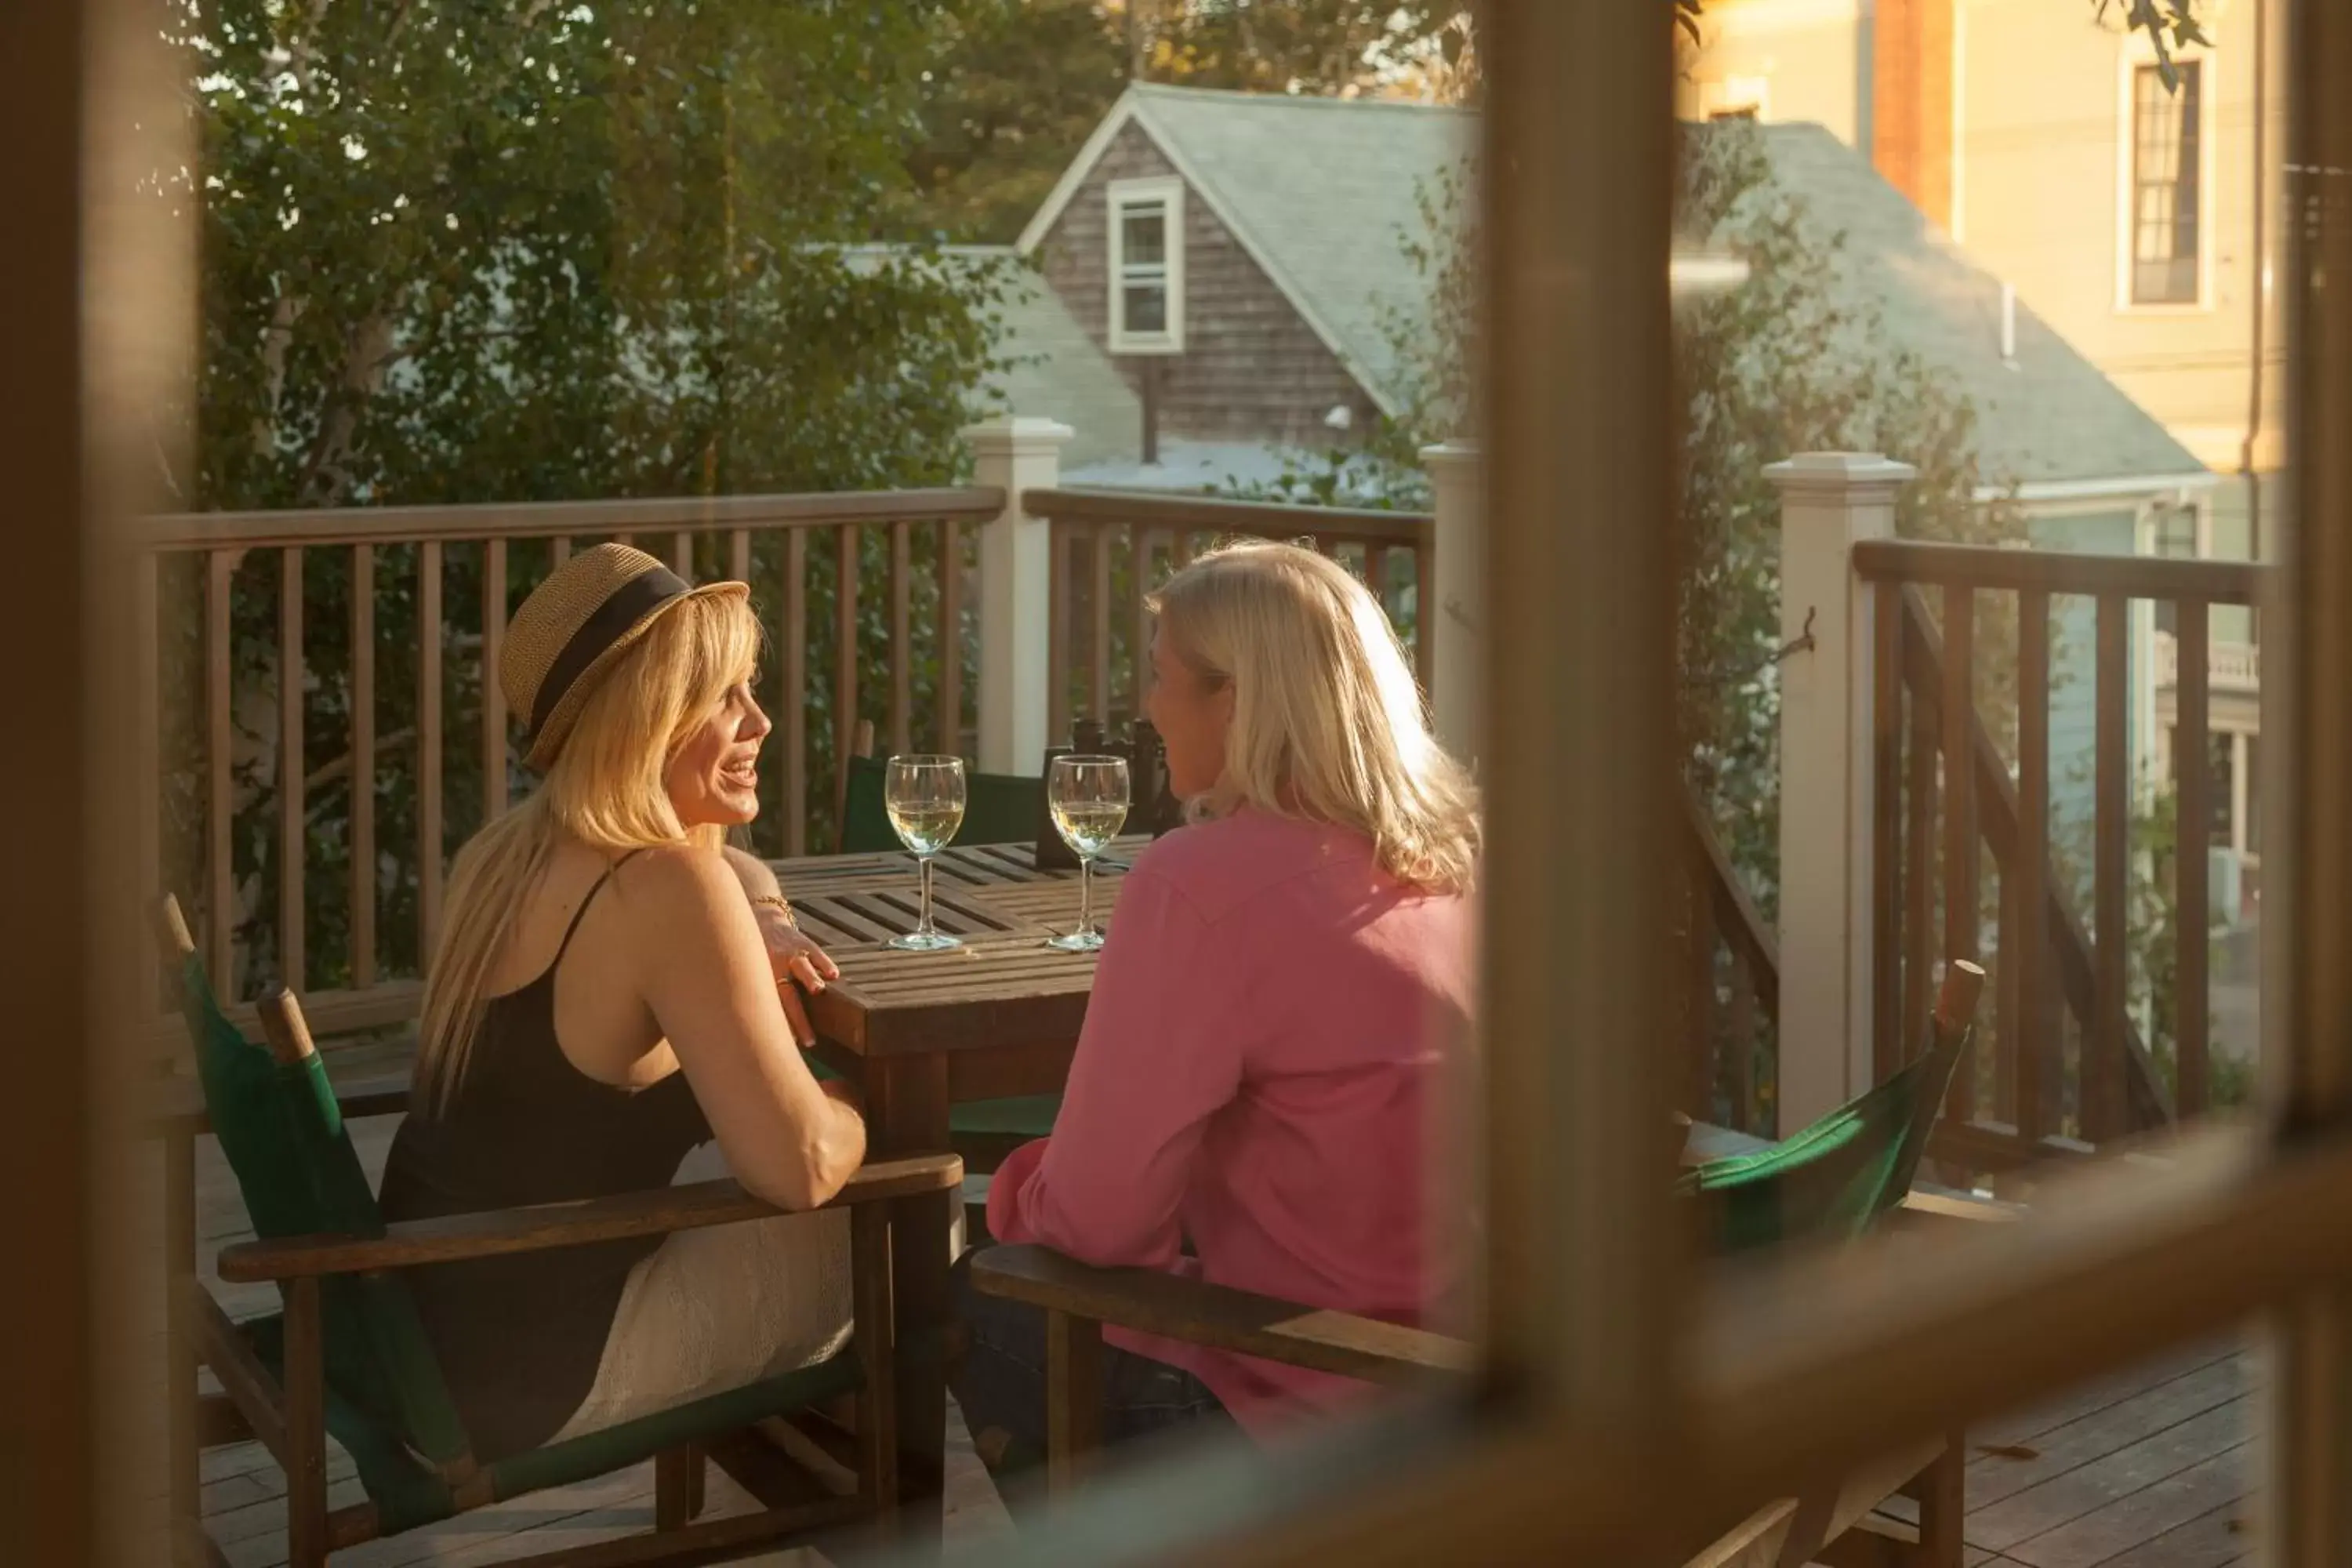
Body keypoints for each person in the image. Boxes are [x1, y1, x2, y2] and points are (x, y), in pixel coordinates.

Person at [956, 539, 1479, 1483]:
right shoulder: (1457, 871)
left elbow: (1098, 1228)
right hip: (1473, 1393)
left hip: (1306, 1400)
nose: (1148, 708)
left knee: (971, 1297)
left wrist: (1017, 1190)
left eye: (1160, 679)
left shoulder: (1196, 884)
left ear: (1233, 700)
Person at [378, 543, 865, 1461]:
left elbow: (737, 869)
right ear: (650, 718)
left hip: (426, 1340)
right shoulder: (669, 888)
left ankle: (783, 1521)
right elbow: (799, 1166)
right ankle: (859, 1521)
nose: (760, 719)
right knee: (914, 1210)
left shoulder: (503, 854)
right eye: (726, 695)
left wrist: (761, 911)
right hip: (530, 1374)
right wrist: (867, 1111)